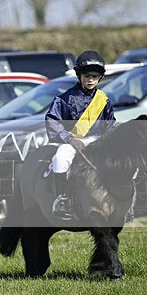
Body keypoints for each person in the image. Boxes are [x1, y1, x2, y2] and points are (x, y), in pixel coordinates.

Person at [45, 50, 116, 220]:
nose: (90, 79)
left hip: (98, 140)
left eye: (94, 76)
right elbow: (52, 120)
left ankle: (122, 202)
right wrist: (69, 139)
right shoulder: (64, 99)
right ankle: (62, 199)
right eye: (86, 76)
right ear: (79, 76)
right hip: (71, 140)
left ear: (100, 78)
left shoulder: (104, 100)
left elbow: (110, 124)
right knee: (60, 158)